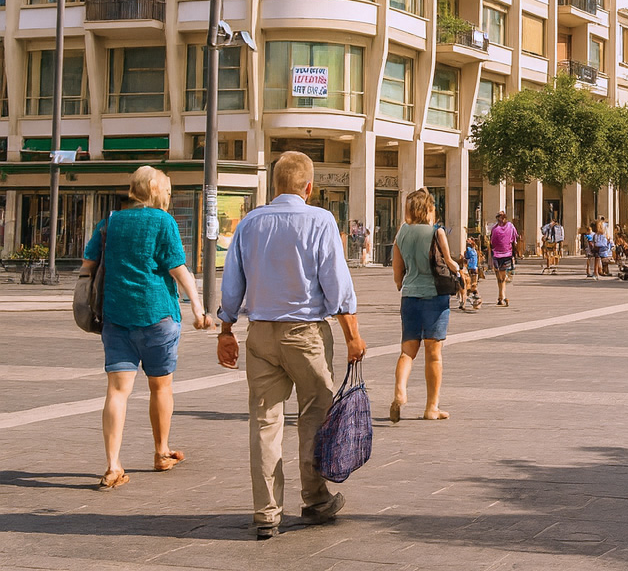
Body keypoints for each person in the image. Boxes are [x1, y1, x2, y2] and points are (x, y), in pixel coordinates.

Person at [217, 151, 364, 540]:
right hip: (306, 333)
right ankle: (315, 499)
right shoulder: (320, 220)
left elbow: (232, 283)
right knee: (315, 414)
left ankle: (266, 513)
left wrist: (226, 328)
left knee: (265, 422)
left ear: (274, 185)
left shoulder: (250, 223)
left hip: (261, 332)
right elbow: (336, 282)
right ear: (308, 187)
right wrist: (352, 333)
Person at [80, 166, 212, 490]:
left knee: (117, 391)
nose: (168, 195)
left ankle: (113, 465)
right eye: (166, 189)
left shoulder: (109, 222)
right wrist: (197, 307)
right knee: (161, 388)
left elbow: (87, 268)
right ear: (154, 188)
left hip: (115, 317)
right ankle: (161, 451)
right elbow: (178, 269)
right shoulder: (162, 221)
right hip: (157, 317)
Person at [391, 188, 458, 425]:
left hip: (409, 297)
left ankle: (400, 390)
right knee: (434, 354)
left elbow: (397, 270)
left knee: (407, 351)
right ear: (428, 208)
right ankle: (432, 407)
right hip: (434, 297)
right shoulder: (436, 231)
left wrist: (402, 283)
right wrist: (460, 273)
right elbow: (448, 261)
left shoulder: (402, 233)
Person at [488, 211, 517, 306]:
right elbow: (515, 239)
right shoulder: (510, 226)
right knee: (502, 277)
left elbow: (491, 242)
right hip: (506, 254)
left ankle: (502, 295)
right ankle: (501, 295)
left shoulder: (494, 228)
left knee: (500, 277)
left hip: (497, 255)